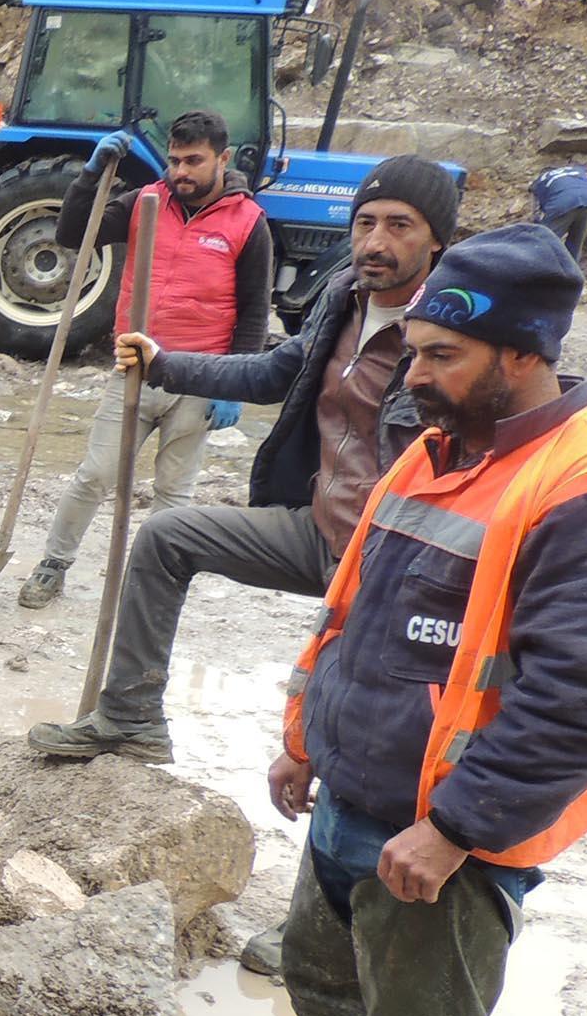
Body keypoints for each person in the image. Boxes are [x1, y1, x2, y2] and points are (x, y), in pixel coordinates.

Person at [172, 224, 587, 1016]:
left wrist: (455, 830)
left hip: (445, 839)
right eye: (413, 353)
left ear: (521, 354)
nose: (413, 379)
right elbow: (351, 612)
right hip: (354, 797)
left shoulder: (572, 485)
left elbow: (570, 704)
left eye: (441, 357)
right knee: (322, 984)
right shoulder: (433, 449)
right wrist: (303, 737)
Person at [27, 155, 456, 766]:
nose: (376, 242)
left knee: (358, 743)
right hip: (322, 532)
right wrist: (165, 362)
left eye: (399, 225)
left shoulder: (452, 333)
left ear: (437, 237)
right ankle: (129, 718)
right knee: (166, 536)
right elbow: (276, 370)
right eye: (365, 223)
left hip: (396, 558)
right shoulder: (344, 301)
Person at [16, 110, 275, 609]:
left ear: (222, 158)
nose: (181, 171)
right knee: (95, 474)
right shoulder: (145, 202)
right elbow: (74, 233)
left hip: (200, 375)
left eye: (194, 161)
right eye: (175, 160)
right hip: (134, 365)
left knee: (174, 492)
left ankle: (152, 583)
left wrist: (233, 385)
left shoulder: (248, 222)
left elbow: (254, 311)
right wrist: (90, 174)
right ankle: (54, 563)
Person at [529, 162, 587, 264]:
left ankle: (538, 269)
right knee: (576, 242)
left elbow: (536, 212)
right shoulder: (575, 170)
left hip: (562, 201)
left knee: (544, 240)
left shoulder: (540, 181)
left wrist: (538, 226)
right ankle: (573, 275)